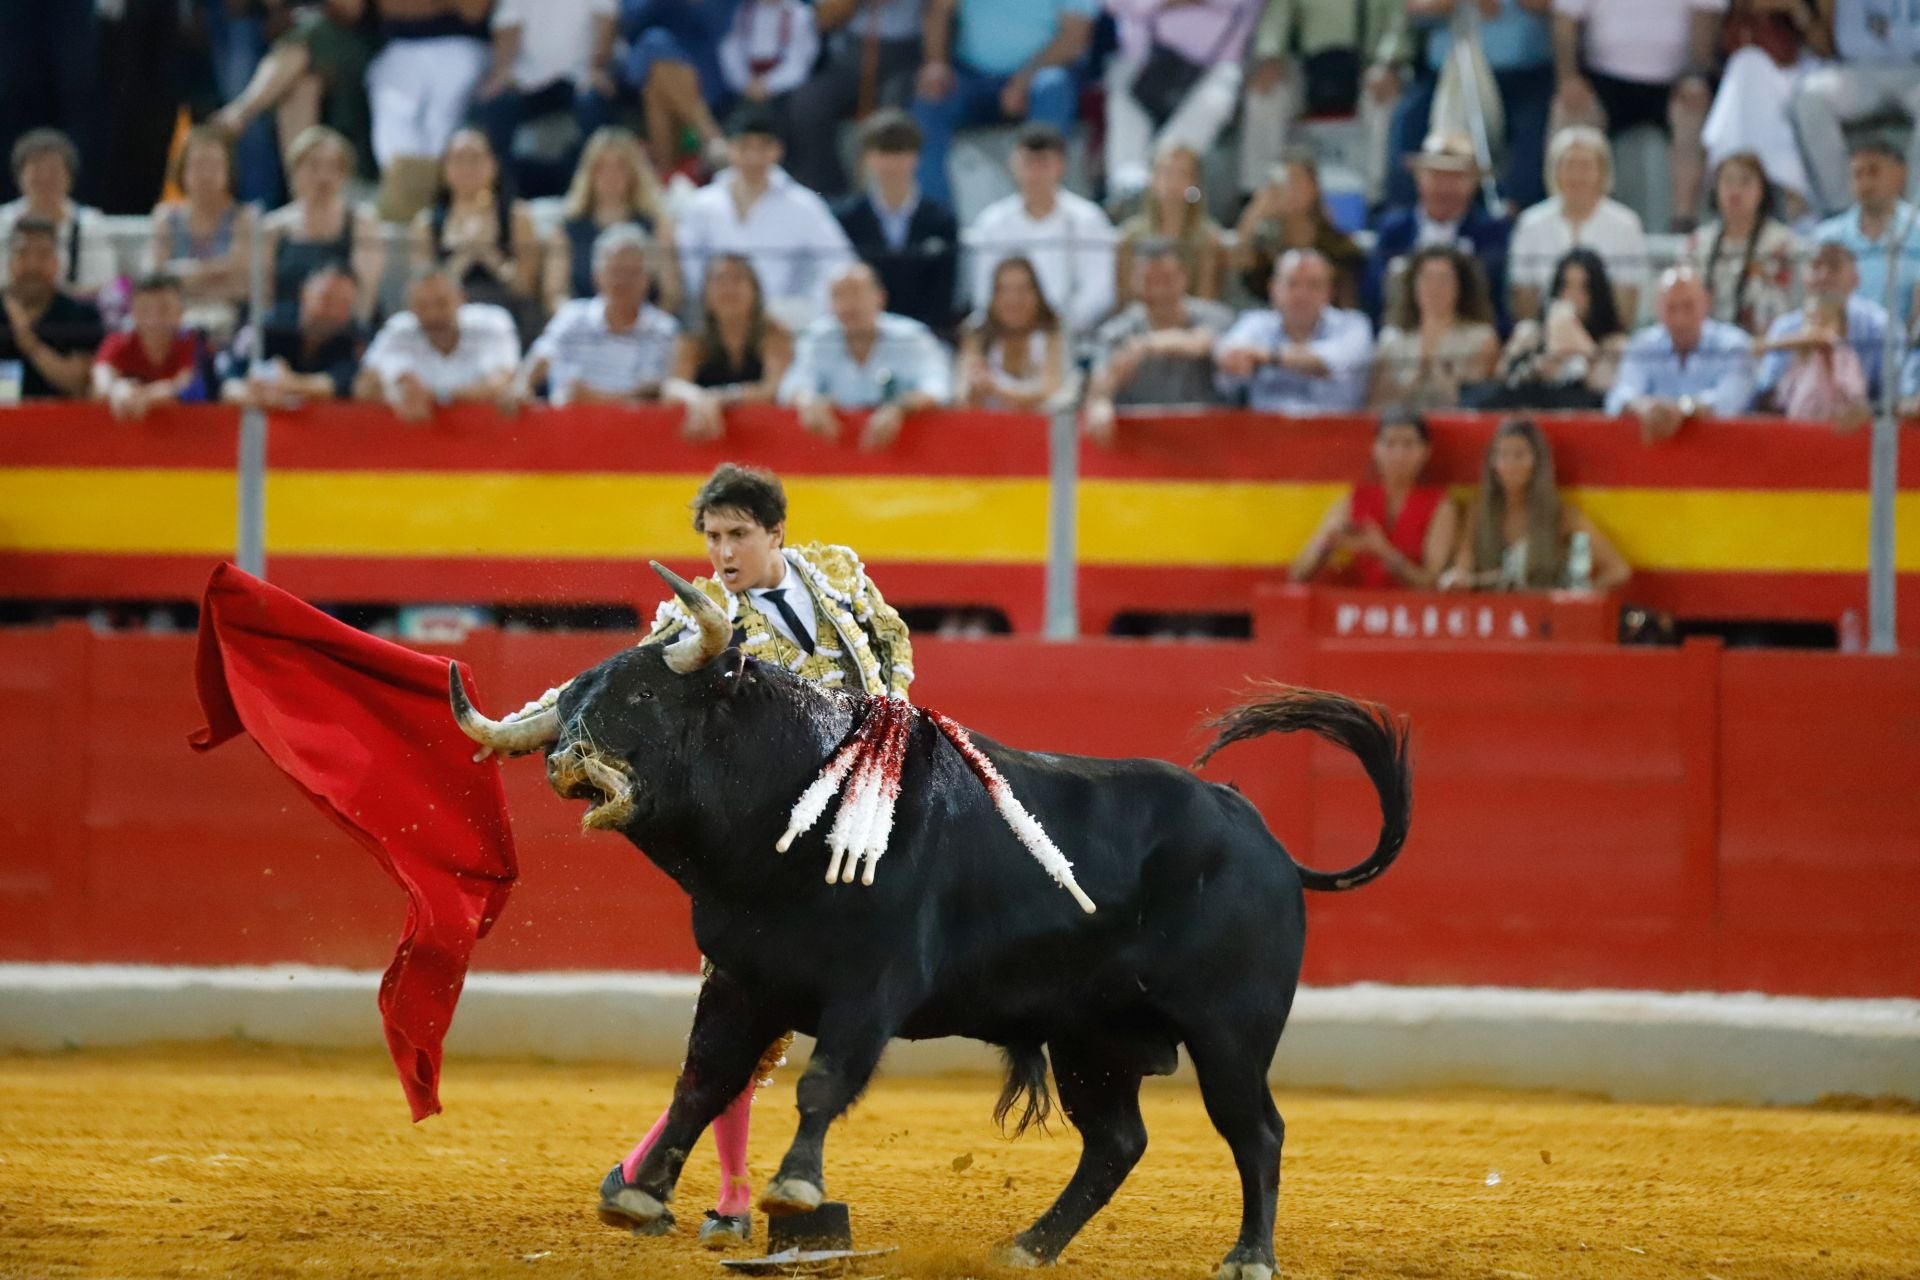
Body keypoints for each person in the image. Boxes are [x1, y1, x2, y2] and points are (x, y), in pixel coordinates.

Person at [575, 461, 913, 1245]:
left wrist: (893, 715)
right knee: (742, 1020)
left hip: (864, 814)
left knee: (759, 1020)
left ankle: (641, 1172)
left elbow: (889, 637)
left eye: (737, 536)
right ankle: (727, 1194)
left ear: (775, 535)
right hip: (765, 847)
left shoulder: (835, 570)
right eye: (711, 537)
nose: (722, 553)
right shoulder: (690, 625)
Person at [675, 106, 858, 333]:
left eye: (763, 147)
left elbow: (840, 263)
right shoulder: (702, 204)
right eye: (744, 146)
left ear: (778, 150)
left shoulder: (803, 205)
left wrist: (806, 310)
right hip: (716, 323)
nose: (753, 157)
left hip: (781, 325)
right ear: (729, 148)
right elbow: (687, 267)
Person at [1551, 0, 1727, 233]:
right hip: (1604, 78)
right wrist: (1568, 78)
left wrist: (1696, 75)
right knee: (1568, 111)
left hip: (1673, 81)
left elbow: (1706, 17)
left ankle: (1683, 224)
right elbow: (1565, 20)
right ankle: (1569, 216)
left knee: (1692, 113)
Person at [909, 0, 1097, 208]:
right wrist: (936, 63)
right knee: (930, 103)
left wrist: (1025, 79)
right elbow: (938, 11)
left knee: (1053, 86)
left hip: (1038, 79)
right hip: (970, 77)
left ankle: (1039, 206)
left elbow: (1074, 36)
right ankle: (935, 217)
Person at [1383, 0, 1557, 213]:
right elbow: (1415, 7)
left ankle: (1514, 216)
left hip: (1524, 76)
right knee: (1408, 120)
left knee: (1533, 129)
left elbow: (1558, 6)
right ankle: (1408, 218)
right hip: (1446, 74)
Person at [1240, 0, 1403, 206]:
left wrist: (1389, 62)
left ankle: (1374, 198)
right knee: (1265, 95)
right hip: (1307, 69)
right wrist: (1270, 56)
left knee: (1382, 100)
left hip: (1365, 68)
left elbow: (1396, 24)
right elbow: (1276, 17)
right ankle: (1258, 192)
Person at [1443, 416, 1630, 591]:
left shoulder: (1560, 514)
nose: (1509, 464)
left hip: (1545, 619)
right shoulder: (1478, 512)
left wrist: (1575, 602)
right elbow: (1463, 568)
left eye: (1519, 455)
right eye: (1501, 455)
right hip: (1494, 615)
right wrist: (1458, 579)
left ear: (1537, 461)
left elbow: (1617, 569)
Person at [965, 124, 1117, 337]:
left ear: (1061, 165)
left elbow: (1101, 288)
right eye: (1028, 163)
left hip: (1073, 335)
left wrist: (1057, 326)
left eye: (1043, 163)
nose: (1035, 173)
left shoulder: (1088, 220)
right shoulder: (992, 223)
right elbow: (984, 291)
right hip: (1006, 336)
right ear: (1013, 165)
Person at [1101, 0, 1258, 205]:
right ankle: (1126, 192)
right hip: (1146, 61)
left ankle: (1166, 187)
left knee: (1214, 101)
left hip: (1216, 66)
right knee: (1121, 93)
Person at [780, 262, 951, 449]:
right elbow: (792, 385)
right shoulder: (818, 338)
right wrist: (808, 401)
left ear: (880, 297)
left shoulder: (911, 337)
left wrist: (899, 408)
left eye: (855, 293)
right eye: (838, 295)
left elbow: (938, 387)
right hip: (834, 451)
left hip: (908, 450)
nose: (847, 304)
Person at [1084, 238, 1235, 440]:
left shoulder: (1215, 316)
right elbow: (1099, 387)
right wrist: (1101, 402)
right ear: (1134, 281)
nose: (1158, 289)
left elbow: (1200, 343)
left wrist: (1146, 345)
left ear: (1183, 277)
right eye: (1148, 279)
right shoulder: (1115, 332)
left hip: (1208, 437)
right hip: (1141, 440)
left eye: (1165, 279)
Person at [1292, 408, 1461, 588]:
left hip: (1412, 610)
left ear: (1426, 451)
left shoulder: (1441, 506)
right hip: (1360, 607)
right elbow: (1298, 574)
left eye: (1409, 445)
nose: (1399, 455)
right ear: (1375, 449)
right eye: (1389, 444)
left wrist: (1383, 551)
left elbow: (1431, 583)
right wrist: (1326, 542)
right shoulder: (1354, 500)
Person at [517, 226, 681, 408]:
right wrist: (522, 386)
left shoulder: (664, 330)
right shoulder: (573, 317)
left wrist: (593, 397)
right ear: (597, 275)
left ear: (648, 279)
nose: (622, 281)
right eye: (615, 271)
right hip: (568, 430)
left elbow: (662, 393)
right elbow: (542, 355)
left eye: (633, 272)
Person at [1700, 0, 1834, 219]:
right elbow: (1713, 45)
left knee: (1756, 78)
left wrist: (1797, 11)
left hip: (1805, 72)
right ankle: (1747, 181)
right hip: (1748, 77)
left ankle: (1789, 192)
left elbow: (1829, 48)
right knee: (1748, 66)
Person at [831, 110, 960, 335]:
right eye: (883, 152)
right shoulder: (847, 219)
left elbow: (944, 293)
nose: (892, 163)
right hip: (861, 338)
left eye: (900, 152)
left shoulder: (941, 220)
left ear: (916, 157)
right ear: (868, 158)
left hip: (925, 340)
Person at [363, 0, 494, 221]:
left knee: (441, 119)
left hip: (461, 44)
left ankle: (448, 202)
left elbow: (473, 10)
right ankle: (406, 201)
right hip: (401, 45)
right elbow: (387, 8)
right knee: (392, 110)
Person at [1788, 0, 1920, 217]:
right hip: (1861, 72)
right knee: (1810, 97)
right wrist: (1906, 36)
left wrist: (1886, 31)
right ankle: (1843, 211)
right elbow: (1849, 41)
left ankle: (1915, 214)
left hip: (1914, 70)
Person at [1365, 131, 1513, 326]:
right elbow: (1373, 293)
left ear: (1474, 182)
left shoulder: (1492, 232)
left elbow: (1498, 296)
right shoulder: (1394, 229)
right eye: (1436, 175)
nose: (1444, 187)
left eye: (1455, 177)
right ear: (1418, 177)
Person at [785, 0, 929, 197]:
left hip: (909, 55)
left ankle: (886, 201)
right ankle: (828, 194)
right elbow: (824, 19)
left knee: (892, 118)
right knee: (809, 102)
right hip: (853, 51)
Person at [1508, 126, 1650, 324]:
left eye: (1585, 166)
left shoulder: (1626, 225)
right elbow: (1524, 302)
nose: (1576, 175)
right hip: (1545, 334)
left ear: (1602, 172)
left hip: (1606, 338)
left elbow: (1626, 306)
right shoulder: (1530, 224)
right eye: (1569, 165)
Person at [471, 0, 618, 188]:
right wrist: (502, 72)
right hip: (528, 80)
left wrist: (597, 67)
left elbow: (606, 23)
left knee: (592, 103)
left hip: (581, 77)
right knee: (496, 105)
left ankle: (594, 191)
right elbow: (508, 27)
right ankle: (498, 191)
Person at [1215, 248, 1374, 414]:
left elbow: (1330, 362)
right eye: (1292, 283)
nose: (1302, 294)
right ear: (1273, 289)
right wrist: (1232, 359)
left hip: (1337, 434)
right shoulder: (1255, 323)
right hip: (1267, 433)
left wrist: (1268, 356)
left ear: (1329, 292)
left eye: (1313, 285)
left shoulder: (1353, 325)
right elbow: (1229, 355)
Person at [546, 127, 684, 317]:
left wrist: (646, 329)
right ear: (589, 173)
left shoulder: (657, 226)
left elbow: (671, 293)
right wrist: (580, 326)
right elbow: (555, 293)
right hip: (586, 333)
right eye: (601, 167)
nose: (611, 176)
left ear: (634, 172)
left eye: (620, 166)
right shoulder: (568, 229)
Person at [1606, 266, 1756, 440]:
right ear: (1658, 308)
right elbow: (1620, 396)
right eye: (1671, 308)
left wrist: (1682, 410)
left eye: (1688, 306)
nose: (1680, 319)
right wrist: (1644, 407)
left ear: (1706, 303)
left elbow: (1731, 400)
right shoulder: (1643, 344)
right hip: (1654, 455)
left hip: (1725, 451)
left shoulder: (1733, 344)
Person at [354, 269, 522, 422]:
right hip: (416, 440)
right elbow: (364, 385)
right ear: (410, 307)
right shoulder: (397, 330)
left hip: (482, 436)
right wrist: (396, 394)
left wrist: (433, 396)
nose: (433, 314)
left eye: (441, 303)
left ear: (461, 299)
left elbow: (502, 383)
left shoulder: (491, 323)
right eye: (422, 306)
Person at [1754, 238, 1889, 428]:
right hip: (1797, 435)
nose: (1824, 275)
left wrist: (1870, 412)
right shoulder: (1784, 327)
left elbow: (1895, 397)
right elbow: (1765, 396)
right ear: (1803, 278)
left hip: (1859, 436)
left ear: (1855, 279)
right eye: (1816, 266)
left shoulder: (1880, 325)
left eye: (1834, 267)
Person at [411, 129, 542, 325]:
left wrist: (489, 254)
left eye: (475, 159)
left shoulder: (516, 216)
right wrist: (466, 252)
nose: (467, 167)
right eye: (458, 159)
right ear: (445, 168)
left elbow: (525, 287)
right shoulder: (427, 223)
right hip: (446, 318)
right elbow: (422, 287)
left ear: (492, 165)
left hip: (507, 314)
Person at [261, 126, 385, 328]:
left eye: (333, 167)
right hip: (287, 329)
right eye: (313, 166)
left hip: (345, 332)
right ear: (295, 171)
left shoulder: (361, 222)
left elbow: (365, 296)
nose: (323, 176)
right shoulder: (273, 228)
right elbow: (264, 296)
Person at [145, 127, 255, 345]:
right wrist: (218, 271)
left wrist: (178, 277)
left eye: (214, 166)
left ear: (228, 171)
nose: (206, 174)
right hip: (170, 317)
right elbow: (154, 276)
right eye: (198, 165)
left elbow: (242, 285)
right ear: (182, 170)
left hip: (229, 321)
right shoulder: (166, 217)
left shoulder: (244, 218)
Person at [666, 254, 796, 438]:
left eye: (738, 279)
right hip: (704, 439)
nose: (728, 288)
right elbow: (674, 386)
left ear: (755, 291)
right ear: (706, 294)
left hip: (764, 437)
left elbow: (774, 390)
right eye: (719, 280)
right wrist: (699, 401)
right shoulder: (693, 337)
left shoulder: (774, 334)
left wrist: (720, 398)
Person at [1680, 151, 1803, 339]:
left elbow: (1799, 309)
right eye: (1728, 182)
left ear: (1761, 190)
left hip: (1770, 347)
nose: (1735, 191)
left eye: (1745, 182)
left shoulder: (1785, 245)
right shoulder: (1696, 245)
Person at [1368, 244, 1501, 410]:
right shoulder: (1391, 339)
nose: (1435, 288)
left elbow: (1477, 401)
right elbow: (1376, 404)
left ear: (1460, 286)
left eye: (1444, 279)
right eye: (1427, 278)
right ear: (1413, 284)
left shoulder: (1481, 337)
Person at [1496, 246, 1629, 407]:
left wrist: (1581, 346)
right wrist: (1535, 367)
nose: (1572, 296)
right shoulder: (1530, 333)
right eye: (1566, 286)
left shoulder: (1614, 342)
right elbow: (1499, 379)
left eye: (1583, 289)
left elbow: (1611, 391)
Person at [221, 265, 367, 409]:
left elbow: (340, 383)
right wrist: (258, 394)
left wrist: (291, 383)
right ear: (304, 293)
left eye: (344, 304)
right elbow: (230, 384)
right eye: (326, 299)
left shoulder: (352, 340)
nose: (333, 311)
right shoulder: (269, 326)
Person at [1233, 149, 1365, 309]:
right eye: (1281, 183)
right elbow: (1240, 264)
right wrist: (1257, 209)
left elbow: (1348, 309)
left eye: (1295, 181)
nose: (1288, 190)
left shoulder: (1340, 248)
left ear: (1314, 187)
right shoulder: (1264, 249)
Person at [619, 0, 739, 175]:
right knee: (655, 43)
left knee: (658, 82)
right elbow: (630, 29)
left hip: (702, 74)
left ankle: (664, 175)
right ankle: (710, 136)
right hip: (642, 67)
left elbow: (717, 29)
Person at [1812, 138, 1918, 331]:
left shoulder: (1917, 231)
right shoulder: (1826, 238)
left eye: (1874, 171)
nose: (1865, 182)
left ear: (1900, 174)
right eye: (1857, 174)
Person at [0, 130, 116, 298]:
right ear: (19, 175)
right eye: (37, 170)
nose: (45, 177)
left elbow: (103, 285)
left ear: (69, 176)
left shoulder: (91, 224)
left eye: (54, 170)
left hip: (71, 319)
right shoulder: (2, 222)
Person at [0, 217, 105, 399]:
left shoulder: (81, 314)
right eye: (23, 254)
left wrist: (28, 341)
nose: (32, 266)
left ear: (57, 262)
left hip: (61, 424)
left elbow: (78, 384)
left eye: (42, 255)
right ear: (9, 262)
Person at [1114, 145, 1225, 306]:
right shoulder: (1129, 236)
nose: (1171, 181)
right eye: (1164, 172)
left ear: (1194, 182)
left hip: (1191, 322)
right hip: (1141, 322)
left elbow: (1205, 301)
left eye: (1181, 174)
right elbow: (1125, 300)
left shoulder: (1208, 238)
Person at [91, 275, 212, 420]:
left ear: (180, 313)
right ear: (133, 313)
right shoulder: (117, 342)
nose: (155, 318)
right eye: (145, 309)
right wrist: (118, 389)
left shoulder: (192, 342)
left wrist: (144, 397)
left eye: (165, 309)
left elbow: (187, 387)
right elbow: (101, 382)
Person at [957, 256, 1067, 410]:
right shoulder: (977, 333)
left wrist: (996, 389)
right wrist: (974, 389)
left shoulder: (1052, 331)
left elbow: (1052, 393)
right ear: (993, 298)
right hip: (991, 429)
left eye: (1022, 290)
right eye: (1004, 290)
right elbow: (961, 397)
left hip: (1040, 429)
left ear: (1037, 296)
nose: (1013, 299)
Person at [717, 0, 822, 111]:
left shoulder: (799, 14)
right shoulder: (742, 11)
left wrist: (769, 85)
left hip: (786, 94)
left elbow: (800, 63)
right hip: (745, 90)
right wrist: (744, 82)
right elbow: (730, 52)